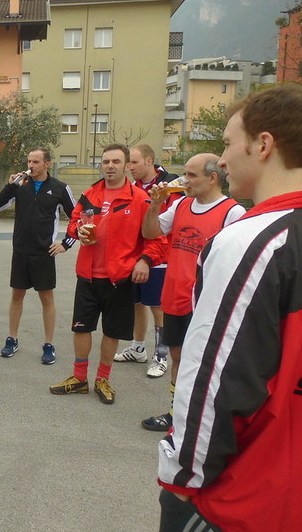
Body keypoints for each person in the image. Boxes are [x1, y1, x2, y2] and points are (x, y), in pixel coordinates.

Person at [158, 84, 302, 532]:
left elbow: (216, 379)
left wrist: (182, 477)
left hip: (249, 499)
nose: (221, 160)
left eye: (226, 143)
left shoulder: (252, 240)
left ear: (263, 145)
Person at [49, 144, 166, 404]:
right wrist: (77, 231)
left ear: (127, 166)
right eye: (105, 162)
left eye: (116, 161)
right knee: (81, 328)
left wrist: (145, 261)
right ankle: (79, 378)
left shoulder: (139, 199)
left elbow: (157, 239)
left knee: (111, 332)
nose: (110, 166)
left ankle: (102, 379)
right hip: (88, 276)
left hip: (119, 279)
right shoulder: (90, 194)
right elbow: (73, 223)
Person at [140, 154, 244, 432]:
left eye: (191, 175)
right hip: (174, 295)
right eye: (184, 174)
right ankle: (176, 413)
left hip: (205, 302)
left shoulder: (233, 213)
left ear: (212, 178)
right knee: (177, 355)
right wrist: (156, 204)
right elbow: (150, 233)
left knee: (203, 361)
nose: (184, 180)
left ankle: (202, 418)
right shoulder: (181, 204)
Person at [0, 147, 76, 364]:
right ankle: (12, 339)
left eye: (36, 162)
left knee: (46, 298)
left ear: (47, 164)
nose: (31, 165)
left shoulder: (60, 188)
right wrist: (10, 186)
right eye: (29, 161)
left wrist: (66, 244)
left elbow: (77, 218)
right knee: (17, 295)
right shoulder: (20, 185)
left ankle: (49, 344)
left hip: (43, 253)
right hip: (21, 251)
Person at [115, 144, 177, 378]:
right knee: (137, 304)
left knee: (157, 307)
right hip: (135, 255)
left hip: (160, 256)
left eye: (134, 162)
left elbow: (168, 222)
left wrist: (150, 256)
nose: (129, 167)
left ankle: (161, 355)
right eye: (128, 162)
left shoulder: (169, 185)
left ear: (149, 161)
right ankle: (138, 348)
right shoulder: (132, 187)